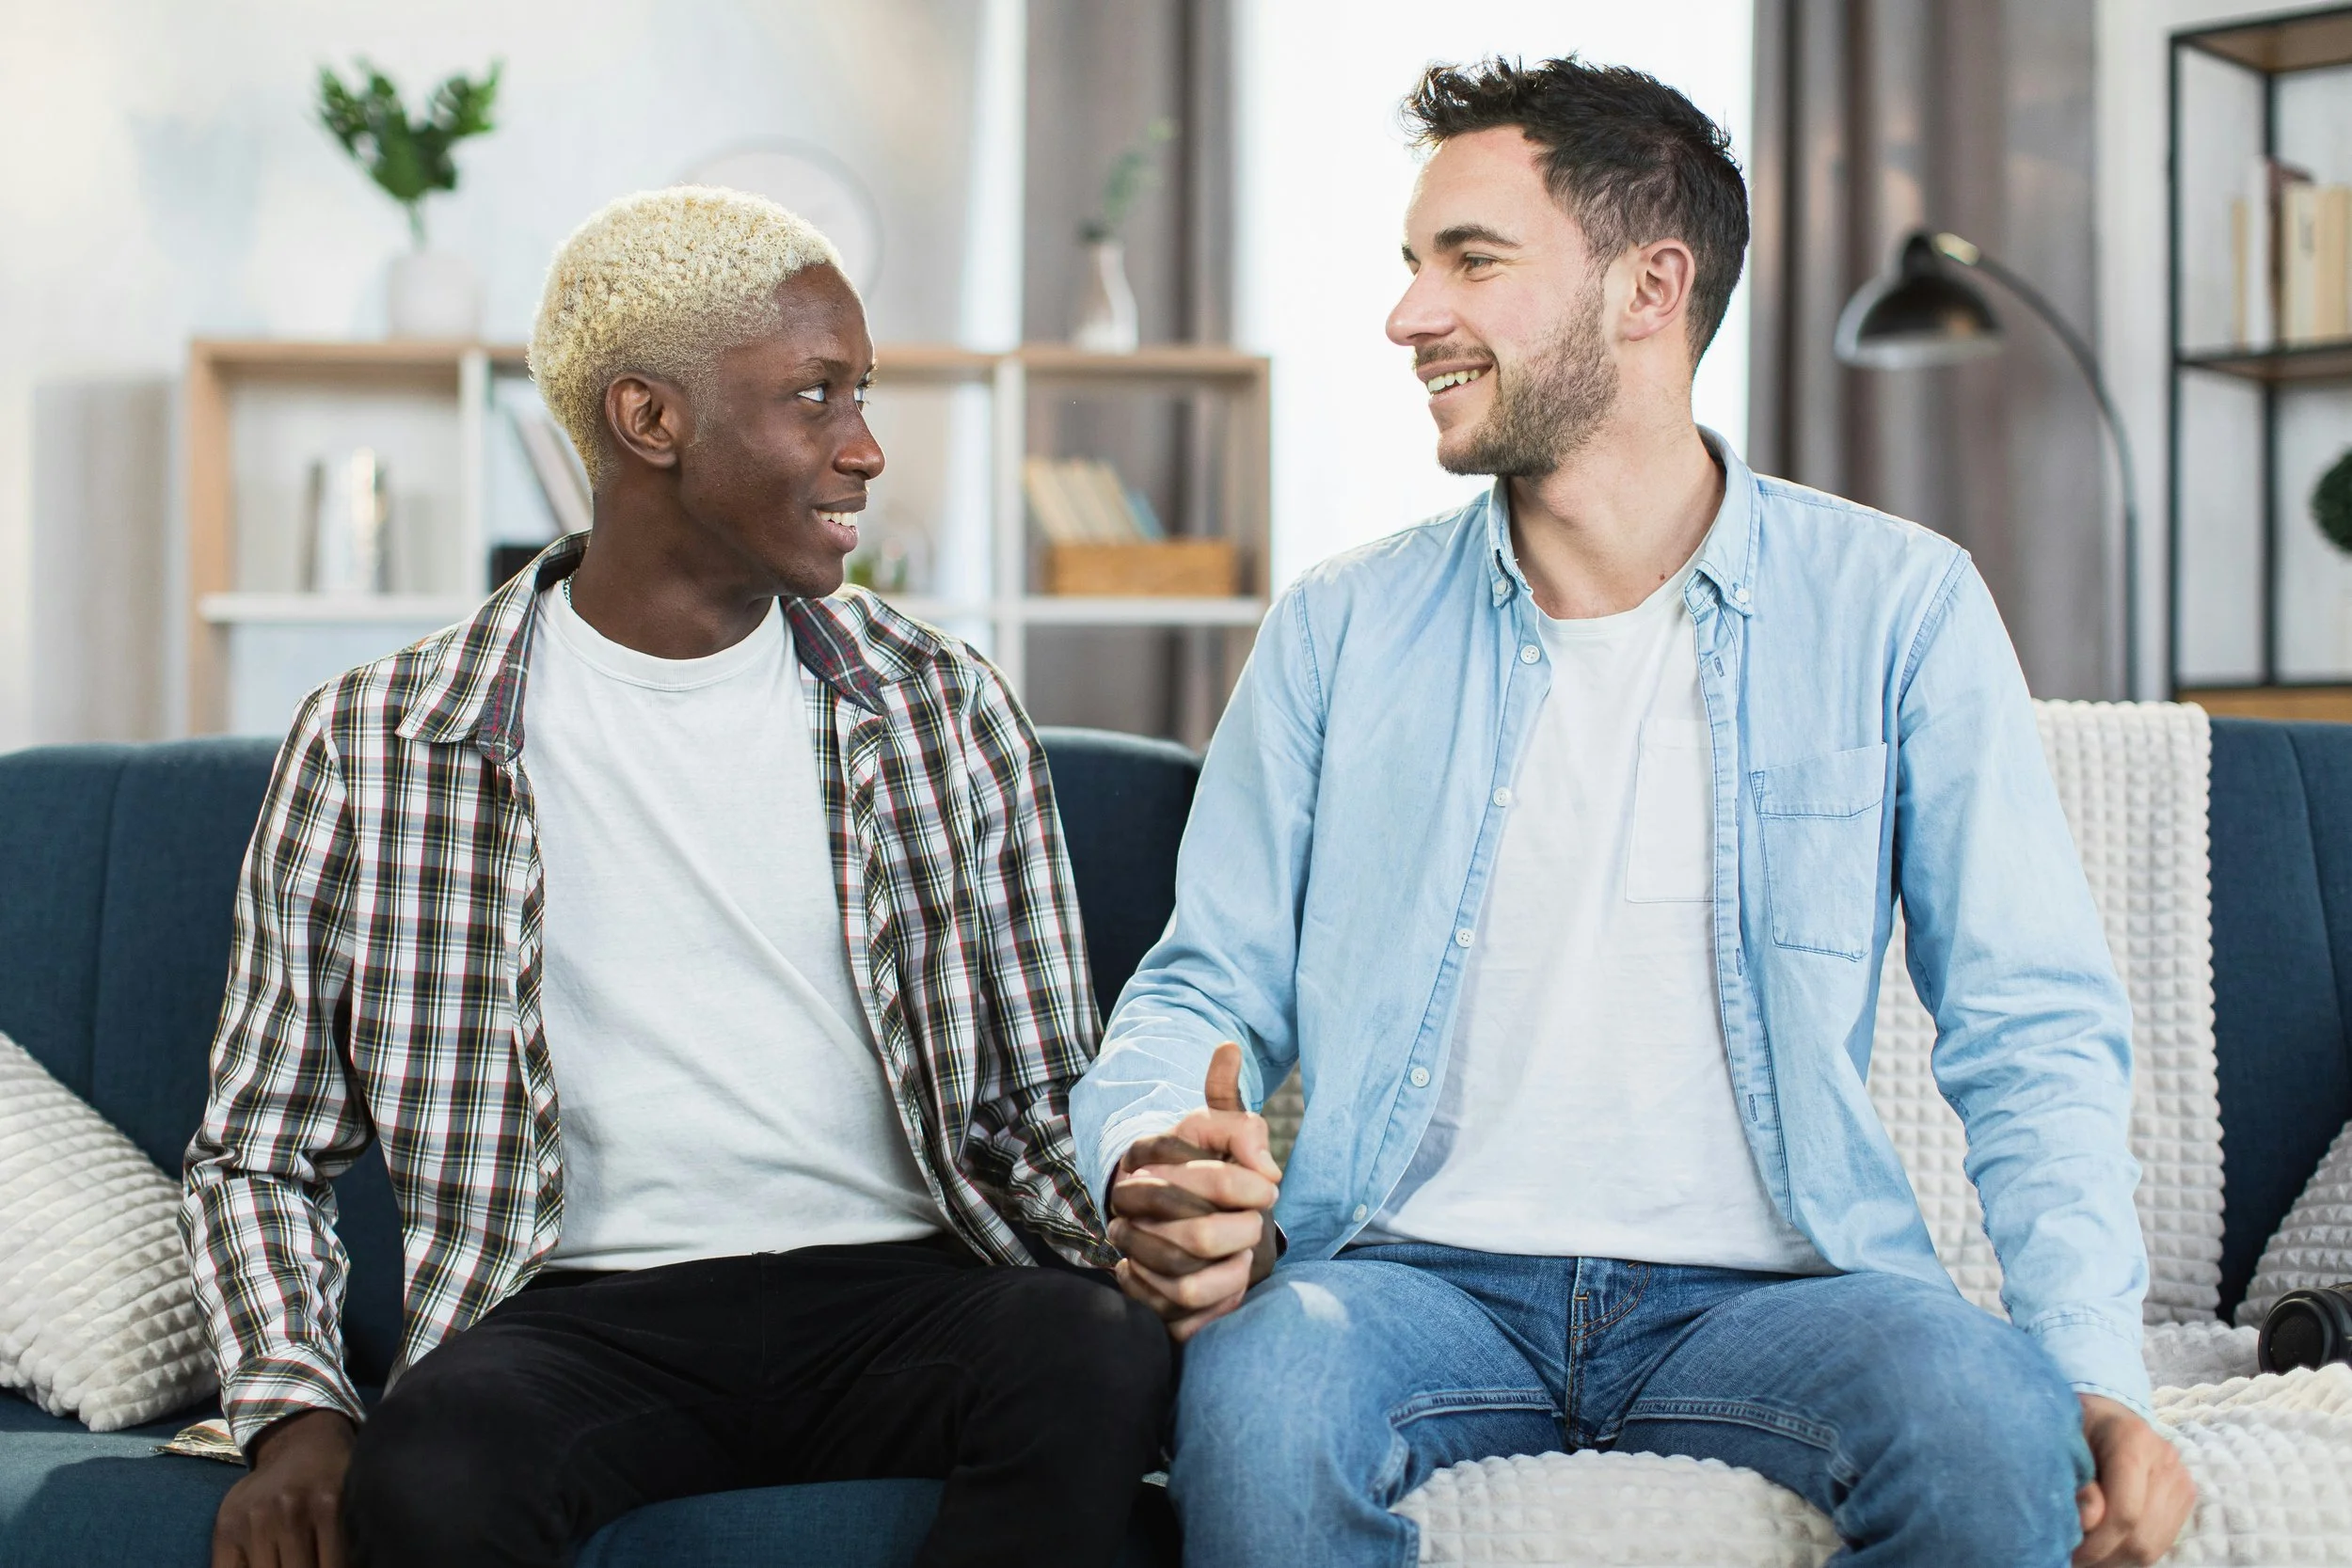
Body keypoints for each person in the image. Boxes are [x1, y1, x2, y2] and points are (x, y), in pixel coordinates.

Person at [1073, 56, 2195, 1568]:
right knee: (1259, 1400)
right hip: (1412, 1279)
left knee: (1993, 1415)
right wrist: (1152, 1155)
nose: (1409, 314)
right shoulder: (1339, 626)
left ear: (1649, 286)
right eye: (1412, 265)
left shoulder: (1896, 605)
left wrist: (2096, 1371)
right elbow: (1204, 979)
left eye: (1471, 260)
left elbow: (2030, 1021)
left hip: (1780, 1296)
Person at [183, 186, 1168, 1568]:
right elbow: (259, 1149)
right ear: (650, 421)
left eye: (863, 393)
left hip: (904, 1294)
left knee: (1095, 1351)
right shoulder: (378, 740)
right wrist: (294, 1416)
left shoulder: (943, 707)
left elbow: (1033, 1099)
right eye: (818, 398)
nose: (869, 449)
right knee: (434, 1467)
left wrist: (1157, 1231)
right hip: (578, 1315)